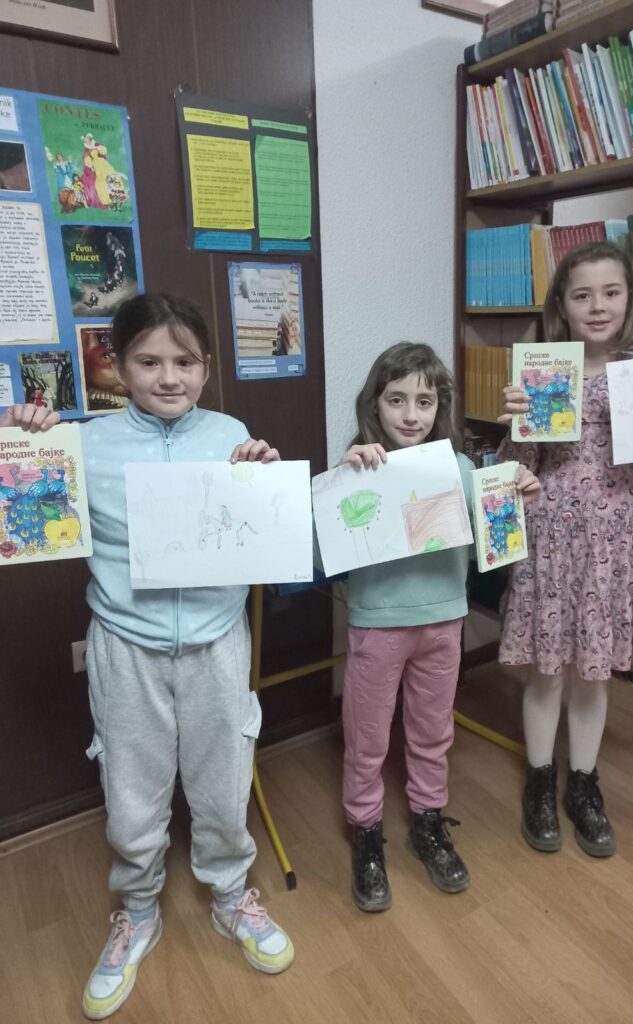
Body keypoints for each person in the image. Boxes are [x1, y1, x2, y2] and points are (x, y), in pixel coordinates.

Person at [0, 293, 294, 1019]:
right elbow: (25, 506)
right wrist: (19, 441)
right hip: (126, 646)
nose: (169, 377)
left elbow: (256, 526)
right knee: (132, 785)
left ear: (206, 367)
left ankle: (231, 894)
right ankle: (136, 909)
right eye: (149, 361)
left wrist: (261, 475)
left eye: (185, 362)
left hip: (217, 641)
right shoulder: (84, 442)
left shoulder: (230, 432)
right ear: (119, 367)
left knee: (224, 777)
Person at [496, 241, 633, 859]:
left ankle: (583, 784)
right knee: (547, 670)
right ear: (562, 307)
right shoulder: (546, 372)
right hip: (552, 540)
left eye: (611, 293)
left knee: (593, 673)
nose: (598, 306)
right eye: (582, 295)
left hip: (616, 543)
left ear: (629, 301)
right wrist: (515, 425)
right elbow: (518, 471)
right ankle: (540, 781)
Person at [338, 341, 539, 911]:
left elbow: (489, 543)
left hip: (444, 621)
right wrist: (346, 475)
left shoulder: (461, 469)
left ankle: (428, 820)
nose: (410, 415)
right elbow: (331, 543)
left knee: (432, 732)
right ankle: (366, 830)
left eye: (424, 402)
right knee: (368, 738)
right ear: (375, 405)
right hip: (378, 625)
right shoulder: (359, 466)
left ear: (439, 407)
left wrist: (514, 496)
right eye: (396, 400)